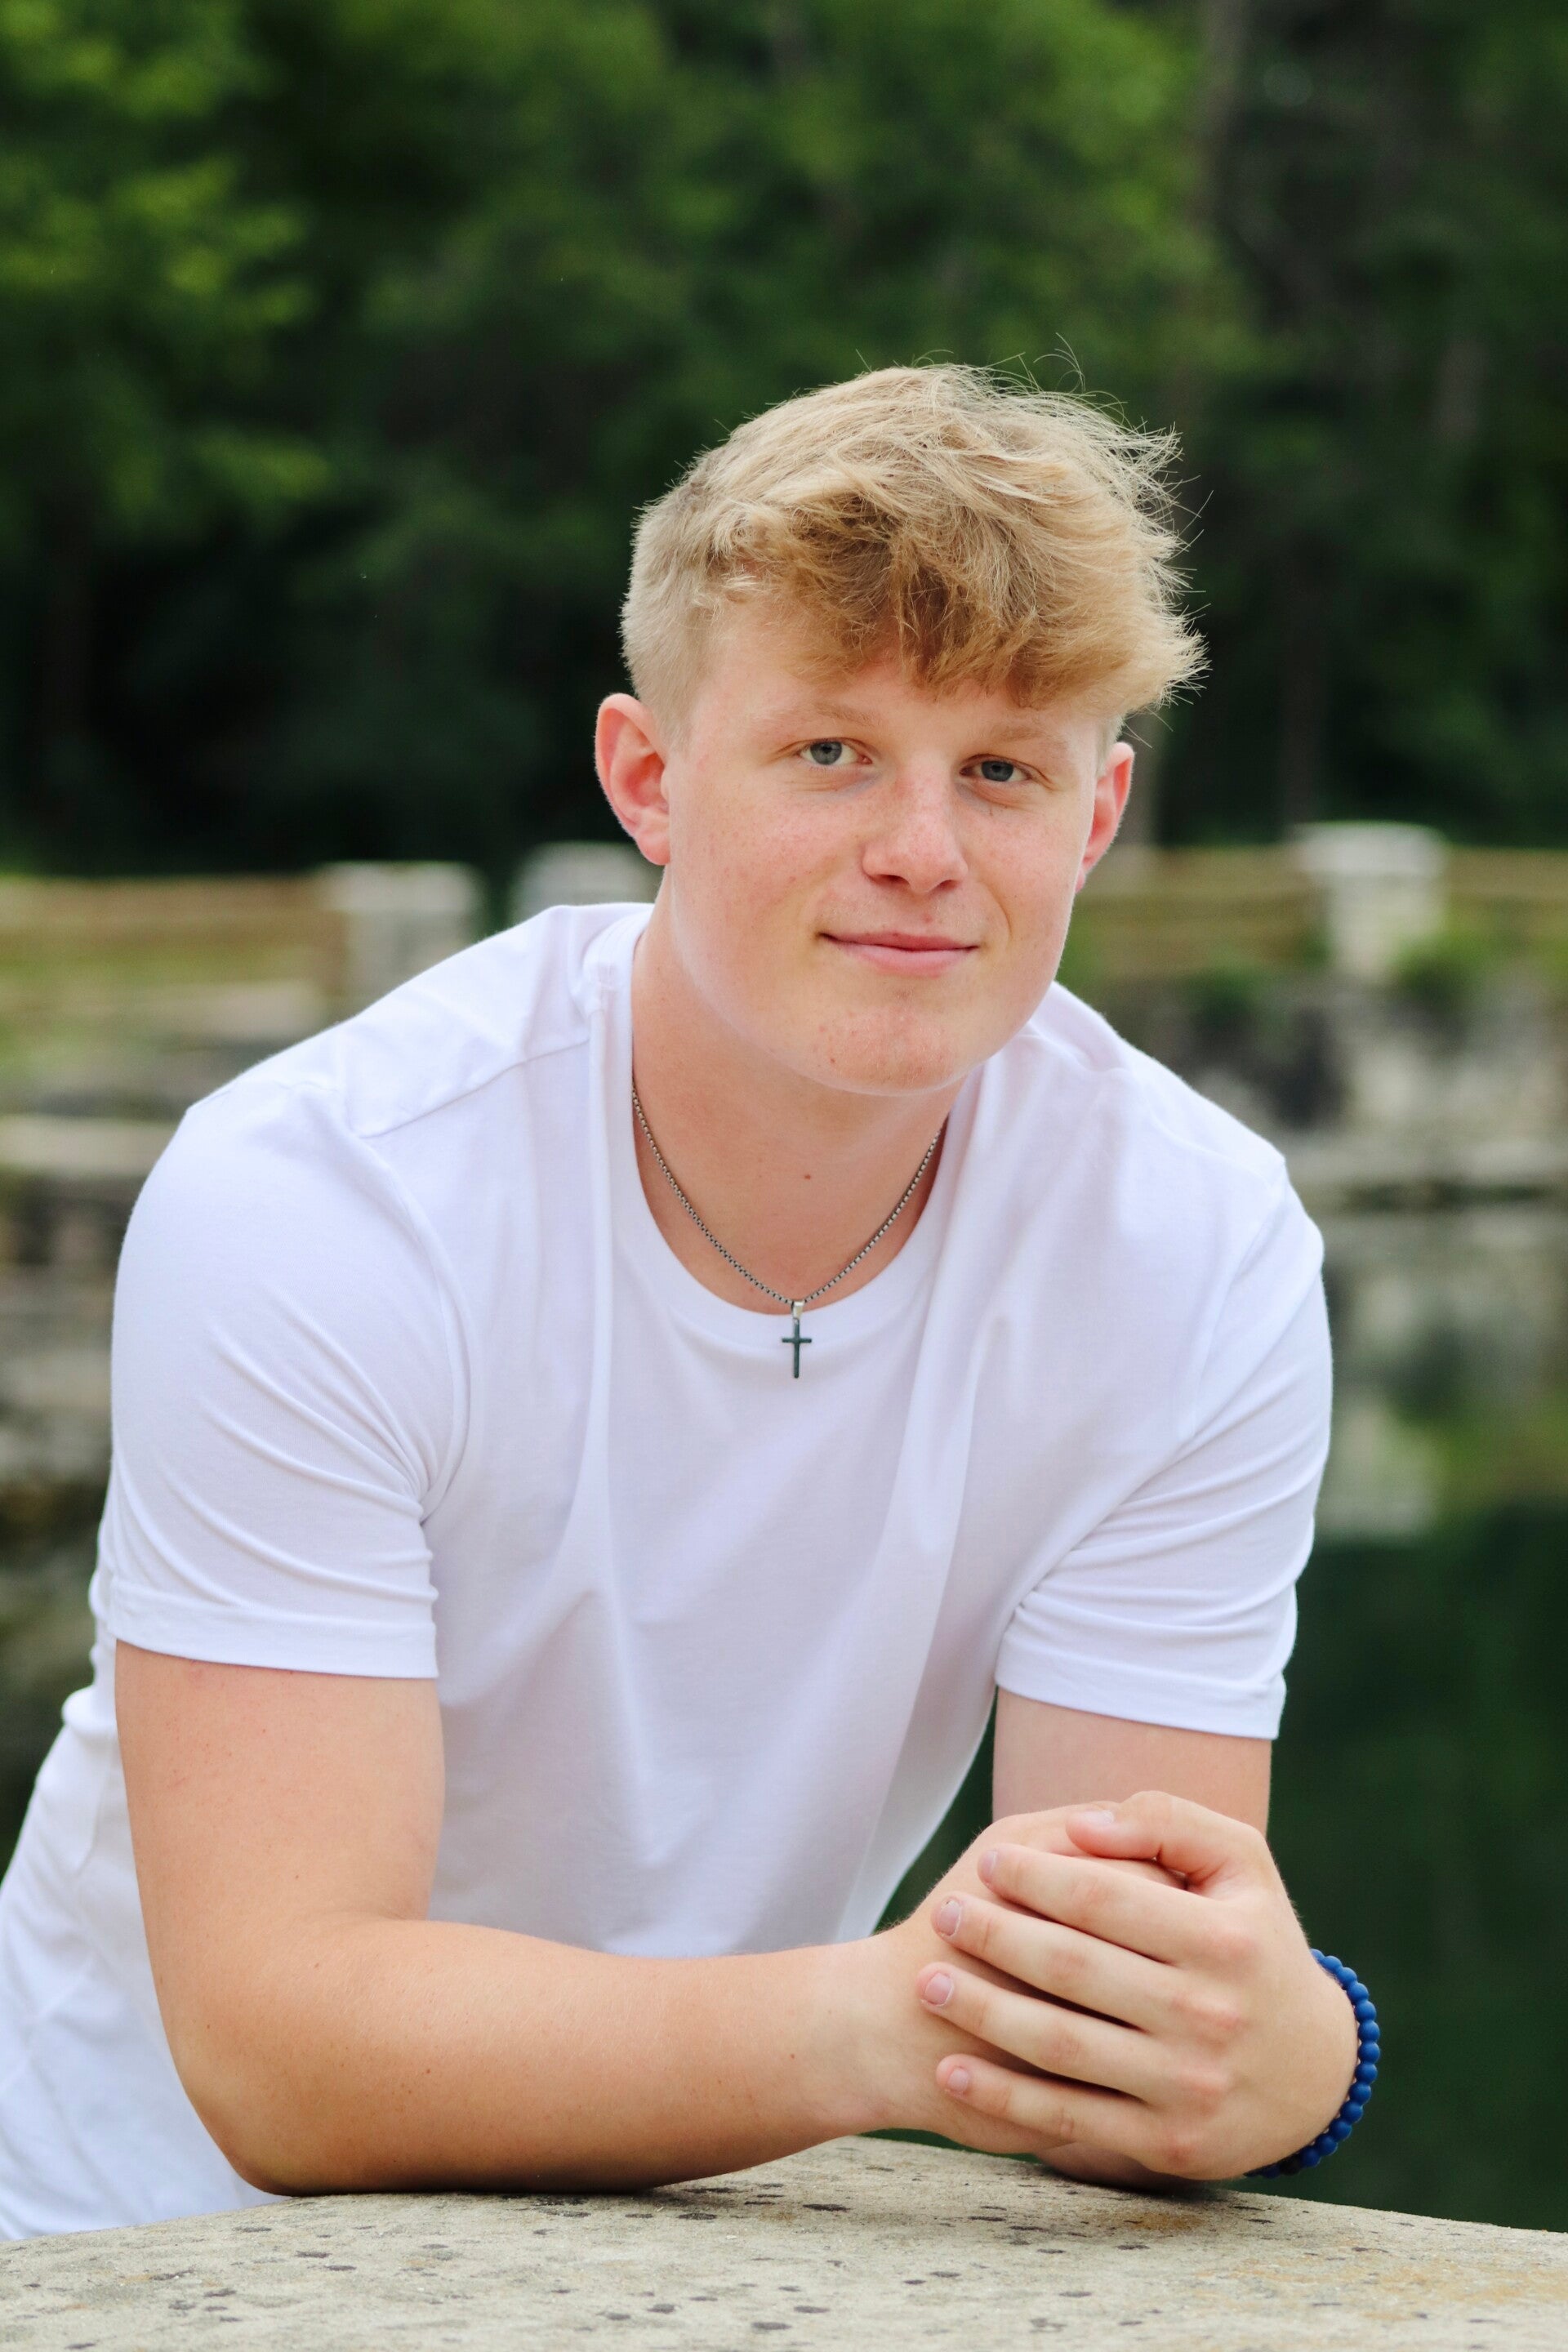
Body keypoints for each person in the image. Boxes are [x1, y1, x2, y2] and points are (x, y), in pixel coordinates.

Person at [0, 365, 1356, 2240]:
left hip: (694, 2220)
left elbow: (1116, 1997)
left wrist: (1300, 2053)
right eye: (832, 753)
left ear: (1098, 813)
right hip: (132, 2248)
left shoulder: (1197, 1248)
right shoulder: (324, 1198)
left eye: (1002, 770)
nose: (922, 851)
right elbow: (284, 2044)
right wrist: (883, 2028)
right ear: (648, 778)